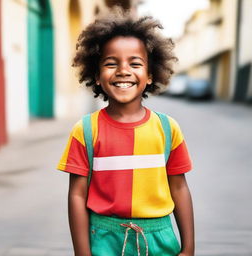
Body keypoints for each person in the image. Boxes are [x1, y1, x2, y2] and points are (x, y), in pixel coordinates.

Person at [57, 8, 194, 256]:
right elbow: (77, 195)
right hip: (104, 240)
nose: (123, 70)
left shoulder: (167, 128)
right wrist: (82, 252)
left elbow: (179, 188)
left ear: (150, 75)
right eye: (111, 63)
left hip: (159, 239)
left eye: (135, 63)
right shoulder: (85, 131)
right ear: (97, 76)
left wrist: (189, 248)